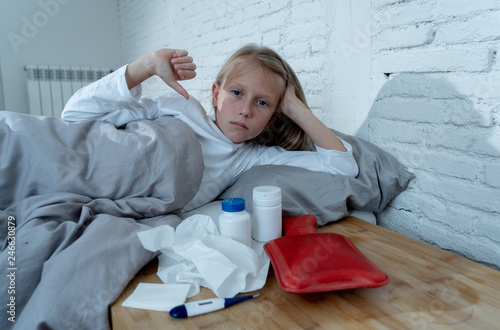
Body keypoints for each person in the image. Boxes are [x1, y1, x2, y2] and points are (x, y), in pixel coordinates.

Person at [62, 44, 359, 212]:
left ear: (274, 117)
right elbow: (75, 115)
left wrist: (294, 107)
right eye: (237, 93)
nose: (245, 110)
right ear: (216, 94)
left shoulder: (252, 157)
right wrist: (147, 65)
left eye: (263, 103)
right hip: (95, 169)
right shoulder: (179, 106)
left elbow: (342, 166)